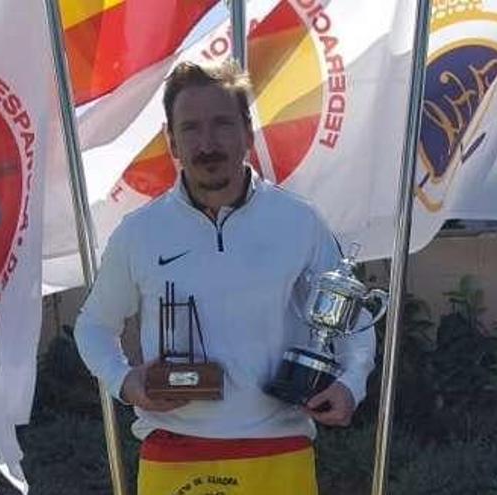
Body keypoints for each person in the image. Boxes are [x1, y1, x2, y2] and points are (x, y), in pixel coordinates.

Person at [74, 60, 375, 494]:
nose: (207, 143)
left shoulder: (299, 221)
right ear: (172, 142)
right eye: (191, 128)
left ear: (247, 134)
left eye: (222, 124)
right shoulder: (138, 233)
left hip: (279, 453)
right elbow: (94, 327)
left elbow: (353, 321)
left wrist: (350, 383)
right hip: (173, 455)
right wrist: (125, 381)